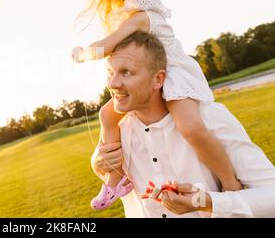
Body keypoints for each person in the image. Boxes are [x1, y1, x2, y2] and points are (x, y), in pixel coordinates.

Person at [72, 0, 241, 210]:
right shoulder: (130, 16)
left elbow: (106, 46)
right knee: (108, 115)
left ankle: (230, 182)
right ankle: (115, 178)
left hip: (173, 75)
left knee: (190, 127)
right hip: (149, 77)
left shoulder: (144, 15)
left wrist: (83, 54)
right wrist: (98, 160)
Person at [91, 31, 275, 217]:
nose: (112, 83)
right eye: (110, 73)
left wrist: (206, 202)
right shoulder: (116, 132)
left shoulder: (210, 118)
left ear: (158, 79)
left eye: (126, 72)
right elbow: (113, 179)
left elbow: (271, 196)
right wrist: (98, 166)